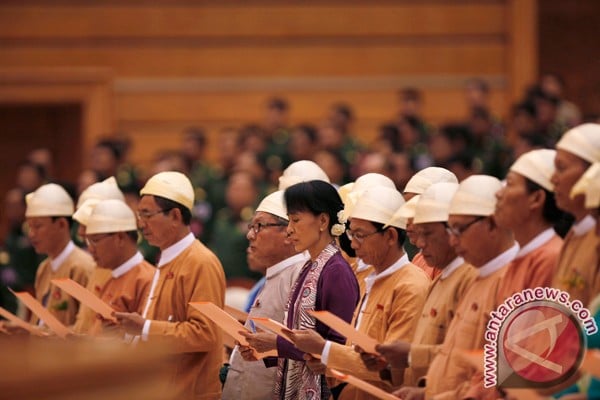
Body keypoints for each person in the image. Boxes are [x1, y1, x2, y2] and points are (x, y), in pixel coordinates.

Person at [375, 175, 519, 399]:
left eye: (459, 230)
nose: (454, 240)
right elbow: (452, 357)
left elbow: (498, 376)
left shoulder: (504, 279)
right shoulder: (476, 278)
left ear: (491, 223)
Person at [289, 186, 430, 399]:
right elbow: (357, 352)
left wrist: (326, 350)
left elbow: (393, 370)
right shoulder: (373, 279)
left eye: (360, 235)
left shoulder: (410, 286)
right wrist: (326, 362)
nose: (352, 244)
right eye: (351, 233)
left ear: (390, 235)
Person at [241, 180, 359, 399]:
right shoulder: (309, 267)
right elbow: (301, 342)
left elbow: (336, 348)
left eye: (295, 220)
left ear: (323, 221)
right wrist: (264, 350)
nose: (289, 230)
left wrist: (274, 342)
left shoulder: (336, 272)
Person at [115, 171, 226, 399]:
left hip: (189, 390)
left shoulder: (200, 262)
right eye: (139, 215)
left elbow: (204, 334)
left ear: (175, 216)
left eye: (147, 215)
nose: (140, 224)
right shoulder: (167, 257)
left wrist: (145, 329)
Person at [382, 182, 478, 387]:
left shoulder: (470, 278)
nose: (420, 243)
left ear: (453, 231)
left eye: (428, 234)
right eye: (417, 234)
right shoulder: (440, 280)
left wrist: (409, 355)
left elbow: (470, 356)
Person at [222, 190, 308, 399]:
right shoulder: (276, 273)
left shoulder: (302, 277)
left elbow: (308, 351)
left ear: (289, 232)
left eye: (259, 226)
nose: (250, 234)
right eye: (251, 226)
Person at [72, 200, 154, 335]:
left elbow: (147, 341)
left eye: (95, 240)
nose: (90, 248)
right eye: (88, 241)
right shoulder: (110, 278)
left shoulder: (146, 280)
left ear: (120, 237)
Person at [494, 149, 564, 302]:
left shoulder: (549, 259)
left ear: (536, 198)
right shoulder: (522, 256)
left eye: (509, 184)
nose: (498, 194)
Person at [25, 183, 95, 326]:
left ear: (62, 224)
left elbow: (87, 328)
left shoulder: (82, 267)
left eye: (38, 226)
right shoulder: (43, 268)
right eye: (29, 227)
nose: (31, 234)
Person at [551, 123, 600, 306]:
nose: (553, 179)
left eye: (561, 168)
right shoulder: (573, 234)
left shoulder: (596, 238)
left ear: (593, 173)